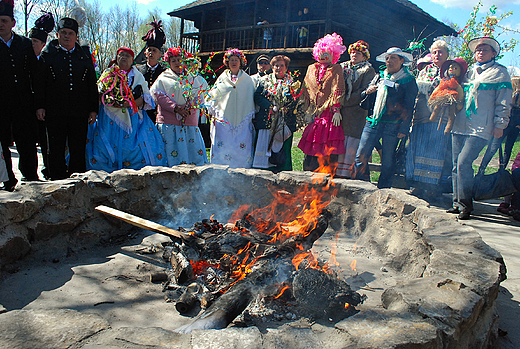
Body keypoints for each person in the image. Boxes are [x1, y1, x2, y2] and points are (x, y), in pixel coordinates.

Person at [448, 36, 512, 220]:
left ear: (493, 53)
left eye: (484, 50)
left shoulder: (500, 73)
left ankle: (465, 205)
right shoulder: (468, 73)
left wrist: (500, 124)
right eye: (478, 50)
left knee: (463, 163)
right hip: (460, 124)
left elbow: (503, 102)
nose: (480, 52)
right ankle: (456, 202)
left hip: (480, 127)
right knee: (455, 165)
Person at [37, 17, 98, 180]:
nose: (66, 36)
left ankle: (77, 181)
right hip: (54, 111)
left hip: (79, 111)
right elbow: (40, 83)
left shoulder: (84, 56)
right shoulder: (48, 55)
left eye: (70, 33)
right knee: (55, 149)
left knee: (77, 148)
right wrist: (40, 106)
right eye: (63, 33)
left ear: (76, 36)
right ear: (57, 34)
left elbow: (92, 83)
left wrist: (93, 109)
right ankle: (56, 181)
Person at [86, 47, 167, 172]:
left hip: (132, 118)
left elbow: (145, 98)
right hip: (108, 118)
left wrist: (128, 104)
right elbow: (98, 92)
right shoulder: (108, 73)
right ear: (117, 58)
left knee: (134, 148)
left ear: (132, 60)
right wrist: (109, 99)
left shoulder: (137, 75)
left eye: (127, 56)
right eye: (121, 55)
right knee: (104, 147)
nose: (124, 58)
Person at [352, 47, 418, 189]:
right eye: (387, 58)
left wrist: (404, 128)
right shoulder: (379, 76)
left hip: (393, 124)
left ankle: (383, 189)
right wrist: (367, 92)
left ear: (402, 61)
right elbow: (365, 97)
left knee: (388, 161)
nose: (389, 61)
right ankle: (361, 185)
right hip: (373, 121)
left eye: (393, 58)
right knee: (361, 155)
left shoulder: (408, 81)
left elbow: (409, 106)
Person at [0, 0, 42, 191]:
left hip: (24, 103)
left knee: (26, 141)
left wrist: (39, 103)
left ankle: (31, 176)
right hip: (1, 104)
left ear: (12, 23)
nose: (1, 24)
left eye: (4, 20)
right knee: (3, 143)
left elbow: (36, 75)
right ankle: (8, 178)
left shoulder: (24, 44)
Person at [406, 40, 452, 198]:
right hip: (421, 116)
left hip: (440, 119)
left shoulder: (451, 72)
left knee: (435, 152)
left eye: (440, 52)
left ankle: (432, 187)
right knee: (418, 150)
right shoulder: (425, 70)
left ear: (447, 54)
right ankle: (418, 185)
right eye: (434, 52)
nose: (437, 55)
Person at [150, 47, 208, 166]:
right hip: (169, 123)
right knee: (171, 152)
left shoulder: (193, 78)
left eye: (179, 60)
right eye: (173, 60)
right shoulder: (163, 78)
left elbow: (200, 95)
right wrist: (176, 108)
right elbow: (158, 96)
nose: (177, 63)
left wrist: (190, 107)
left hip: (189, 119)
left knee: (192, 152)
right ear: (169, 63)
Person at [298, 33, 346, 173]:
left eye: (327, 53)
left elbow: (338, 87)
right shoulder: (311, 68)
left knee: (326, 144)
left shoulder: (336, 68)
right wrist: (306, 108)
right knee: (312, 143)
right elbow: (306, 87)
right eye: (321, 53)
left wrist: (336, 109)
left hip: (328, 112)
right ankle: (309, 171)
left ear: (333, 55)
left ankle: (326, 173)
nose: (324, 56)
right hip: (314, 112)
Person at [206, 48, 255, 168]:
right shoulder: (221, 79)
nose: (234, 62)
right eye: (231, 60)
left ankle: (242, 171)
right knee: (224, 146)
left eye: (236, 60)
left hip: (243, 121)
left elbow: (252, 98)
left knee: (241, 146)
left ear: (241, 62)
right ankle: (220, 172)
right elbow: (212, 97)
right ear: (227, 62)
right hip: (224, 120)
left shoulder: (248, 80)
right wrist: (214, 112)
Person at [253, 55, 301, 172]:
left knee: (283, 147)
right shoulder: (264, 80)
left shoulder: (292, 82)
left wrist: (286, 107)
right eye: (276, 65)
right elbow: (257, 96)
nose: (278, 68)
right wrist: (270, 107)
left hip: (285, 121)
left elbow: (296, 99)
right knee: (265, 145)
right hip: (267, 119)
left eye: (281, 65)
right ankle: (263, 170)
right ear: (272, 67)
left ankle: (283, 171)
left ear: (286, 68)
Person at [336, 40, 376, 178]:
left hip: (357, 113)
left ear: (364, 56)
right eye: (352, 52)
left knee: (352, 142)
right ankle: (337, 172)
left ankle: (350, 174)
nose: (354, 55)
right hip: (341, 112)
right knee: (341, 141)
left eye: (358, 53)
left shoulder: (368, 70)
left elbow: (364, 91)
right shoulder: (342, 67)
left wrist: (344, 101)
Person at [29, 11, 54, 180]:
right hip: (26, 106)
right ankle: (29, 173)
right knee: (28, 141)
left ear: (43, 44)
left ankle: (48, 170)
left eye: (35, 42)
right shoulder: (23, 60)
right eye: (30, 41)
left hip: (45, 108)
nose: (31, 45)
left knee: (46, 143)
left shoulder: (46, 61)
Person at [478, 76, 520, 173]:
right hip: (514, 125)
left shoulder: (510, 95)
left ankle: (483, 168)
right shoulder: (514, 95)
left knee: (494, 146)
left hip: (506, 124)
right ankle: (501, 169)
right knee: (507, 148)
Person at [136, 18, 166, 124]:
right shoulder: (138, 70)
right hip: (141, 111)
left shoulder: (164, 72)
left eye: (154, 50)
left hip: (158, 112)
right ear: (145, 53)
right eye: (149, 50)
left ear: (159, 54)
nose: (151, 53)